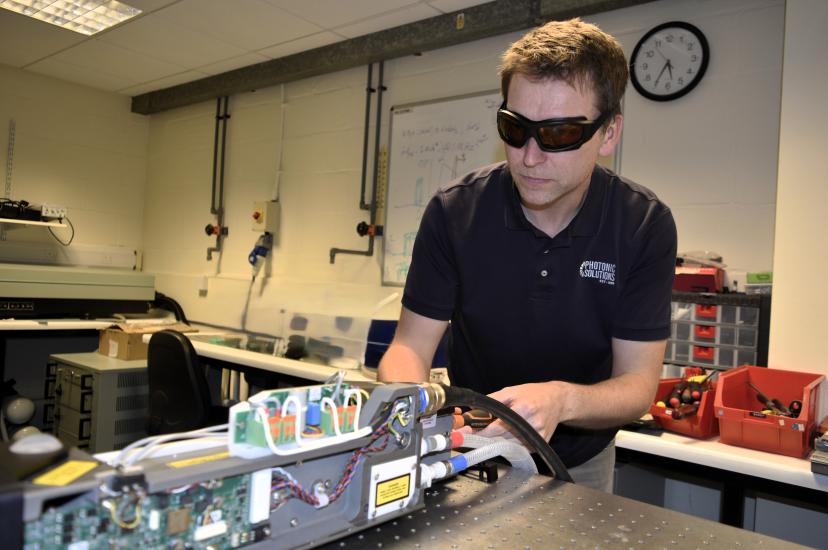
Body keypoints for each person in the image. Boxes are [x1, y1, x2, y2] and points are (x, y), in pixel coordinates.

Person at [378, 18, 677, 492]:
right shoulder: (456, 211)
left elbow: (638, 387)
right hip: (470, 445)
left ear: (609, 133)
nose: (530, 156)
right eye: (514, 129)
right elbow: (409, 347)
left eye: (558, 135)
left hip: (580, 459)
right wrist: (411, 411)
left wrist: (560, 400)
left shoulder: (642, 224)